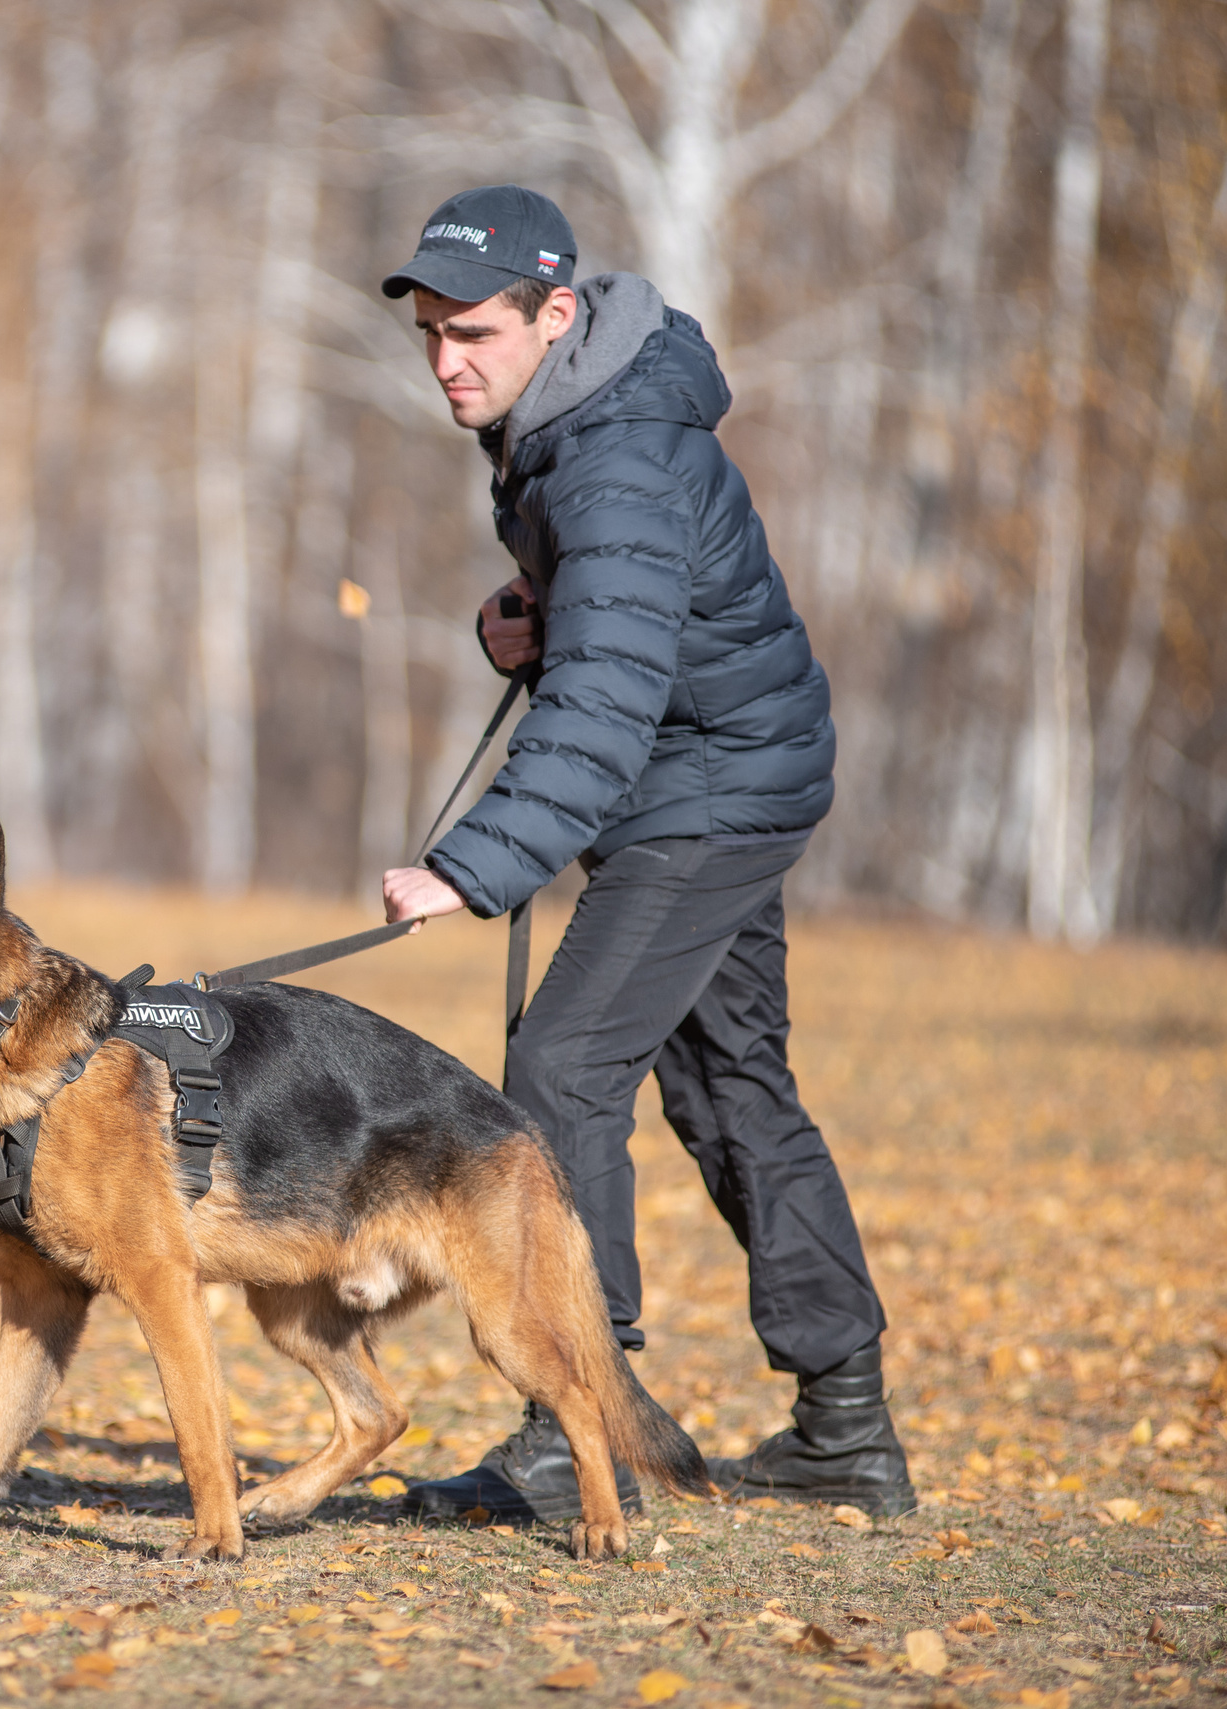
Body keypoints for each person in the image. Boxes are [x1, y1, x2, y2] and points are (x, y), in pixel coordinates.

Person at [374, 184, 915, 1522]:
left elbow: (610, 696)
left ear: (556, 315)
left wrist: (473, 861)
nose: (449, 360)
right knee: (735, 1089)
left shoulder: (611, 454)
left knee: (561, 1064)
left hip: (709, 788)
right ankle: (847, 1423)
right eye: (432, 332)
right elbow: (621, 629)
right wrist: (536, 619)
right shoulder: (573, 419)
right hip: (731, 767)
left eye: (477, 333)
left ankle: (573, 1433)